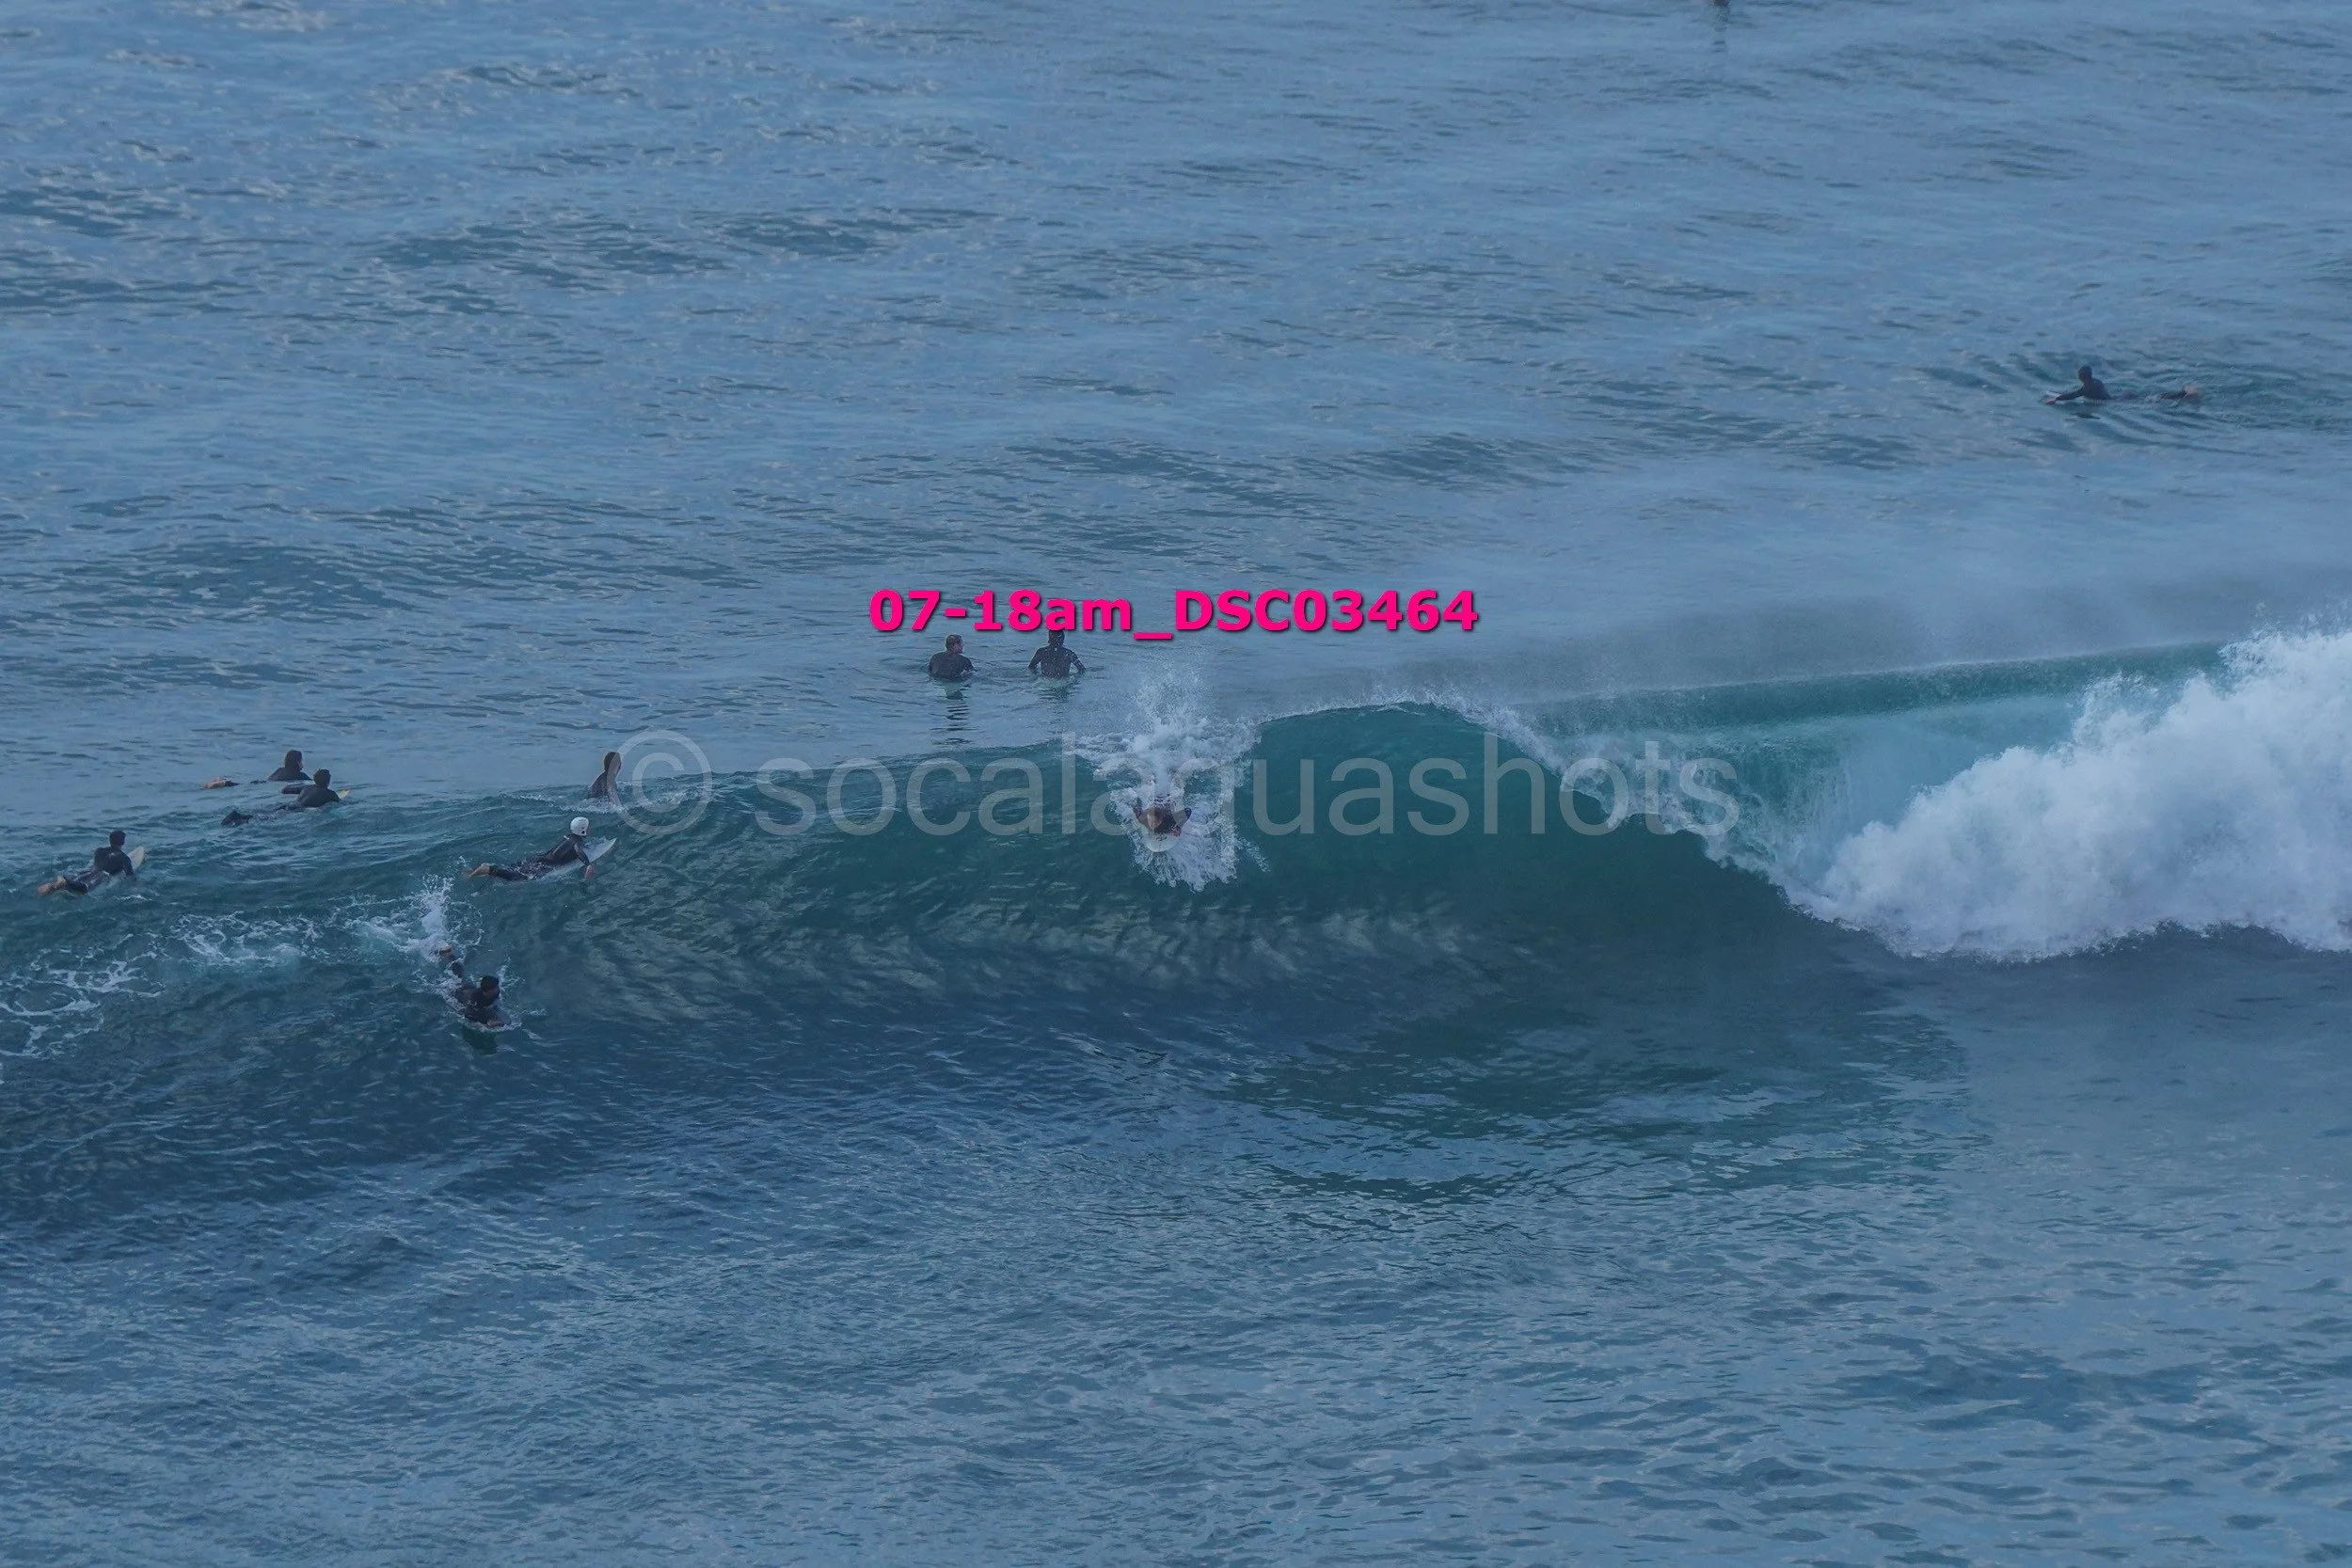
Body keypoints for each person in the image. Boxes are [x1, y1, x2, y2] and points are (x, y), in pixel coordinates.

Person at [469, 816, 597, 881]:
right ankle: (487, 869)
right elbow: (578, 850)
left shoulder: (568, 837)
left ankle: (478, 871)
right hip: (543, 865)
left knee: (512, 871)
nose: (590, 828)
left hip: (538, 858)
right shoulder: (576, 842)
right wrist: (588, 865)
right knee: (516, 876)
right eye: (588, 826)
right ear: (583, 829)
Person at [38, 831, 137, 896]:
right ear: (123, 842)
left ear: (110, 841)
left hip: (89, 870)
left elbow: (103, 860)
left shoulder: (99, 851)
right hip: (101, 874)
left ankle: (55, 885)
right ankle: (65, 881)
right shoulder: (124, 858)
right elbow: (130, 876)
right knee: (85, 888)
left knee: (76, 881)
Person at [436, 945, 508, 1027]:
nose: (497, 989)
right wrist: (486, 1024)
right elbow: (468, 1015)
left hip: (469, 987)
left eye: (496, 987)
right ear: (486, 991)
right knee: (443, 982)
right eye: (494, 988)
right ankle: (444, 954)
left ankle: (449, 955)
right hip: (457, 992)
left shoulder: (495, 992)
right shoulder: (474, 1001)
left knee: (460, 973)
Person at [203, 748, 309, 789]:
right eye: (301, 761)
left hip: (264, 783)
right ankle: (225, 783)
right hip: (266, 786)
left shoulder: (280, 770)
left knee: (243, 785)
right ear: (297, 762)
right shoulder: (300, 775)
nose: (302, 763)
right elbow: (313, 783)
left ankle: (225, 783)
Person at [2045, 365, 2111, 404]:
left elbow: (2073, 395)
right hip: (2110, 399)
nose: (2078, 376)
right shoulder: (2097, 381)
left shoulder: (2087, 388)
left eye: (2079, 374)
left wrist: (2056, 399)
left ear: (2082, 376)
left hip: (2104, 403)